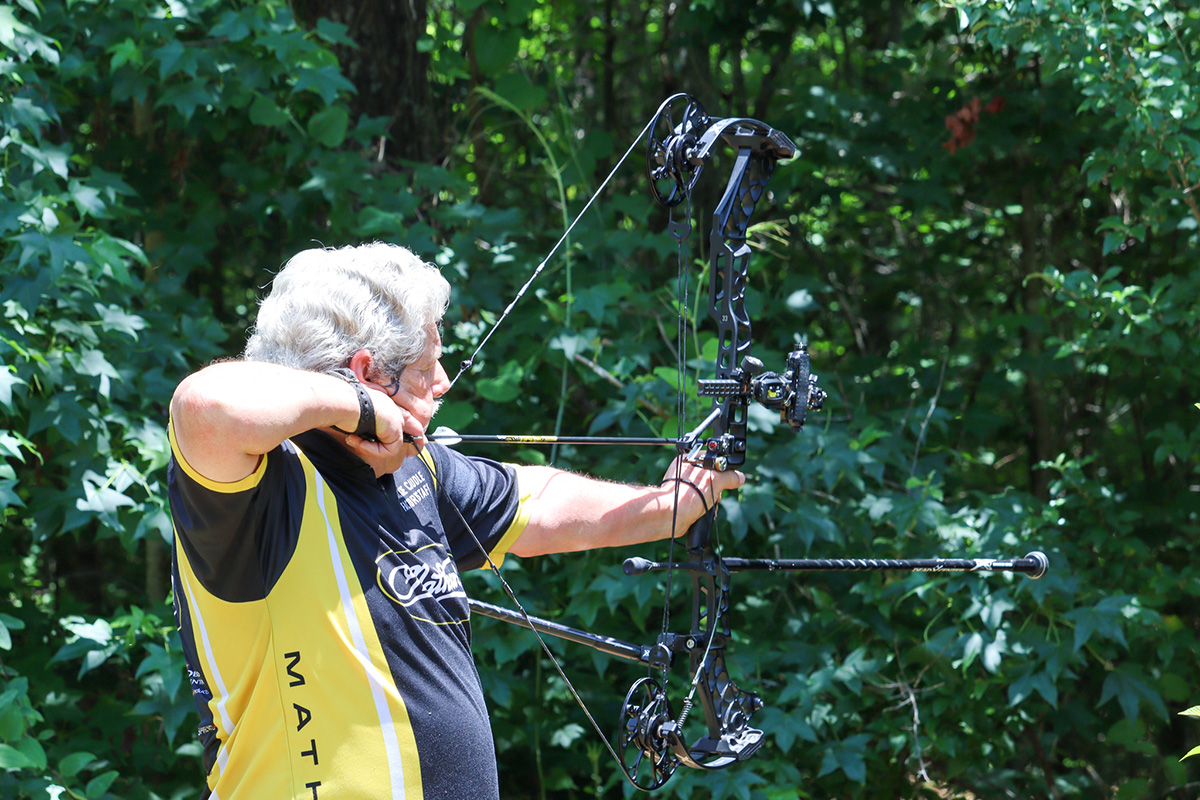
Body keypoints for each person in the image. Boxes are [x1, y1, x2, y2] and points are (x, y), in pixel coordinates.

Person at [167, 242, 743, 800]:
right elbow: (204, 406)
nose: (442, 381)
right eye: (426, 366)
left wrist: (671, 505)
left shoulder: (411, 470)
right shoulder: (260, 492)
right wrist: (360, 407)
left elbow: (537, 503)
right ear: (368, 373)